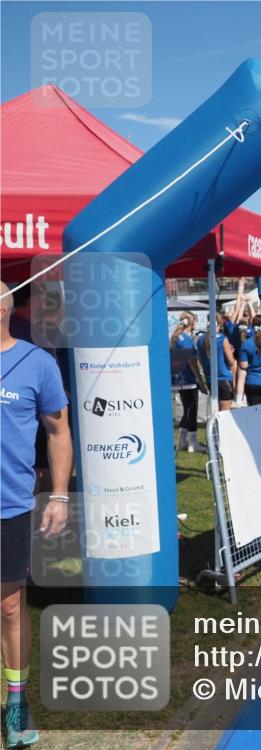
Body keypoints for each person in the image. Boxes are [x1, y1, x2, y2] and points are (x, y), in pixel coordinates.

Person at [1, 280, 72, 748]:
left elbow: (58, 431)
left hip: (9, 505)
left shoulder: (36, 362)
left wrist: (61, 496)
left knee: (8, 606)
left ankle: (15, 701)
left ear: (4, 306)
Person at [170, 314, 209, 452]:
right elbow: (192, 363)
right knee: (191, 411)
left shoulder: (177, 337)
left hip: (179, 379)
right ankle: (192, 442)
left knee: (187, 410)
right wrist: (201, 382)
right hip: (187, 380)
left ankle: (182, 441)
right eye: (196, 321)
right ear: (191, 323)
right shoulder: (185, 340)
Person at [198, 314, 237, 412]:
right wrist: (230, 353)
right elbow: (231, 362)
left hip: (210, 378)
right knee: (225, 411)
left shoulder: (200, 339)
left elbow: (201, 358)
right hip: (224, 378)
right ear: (219, 324)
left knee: (216, 410)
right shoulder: (222, 339)